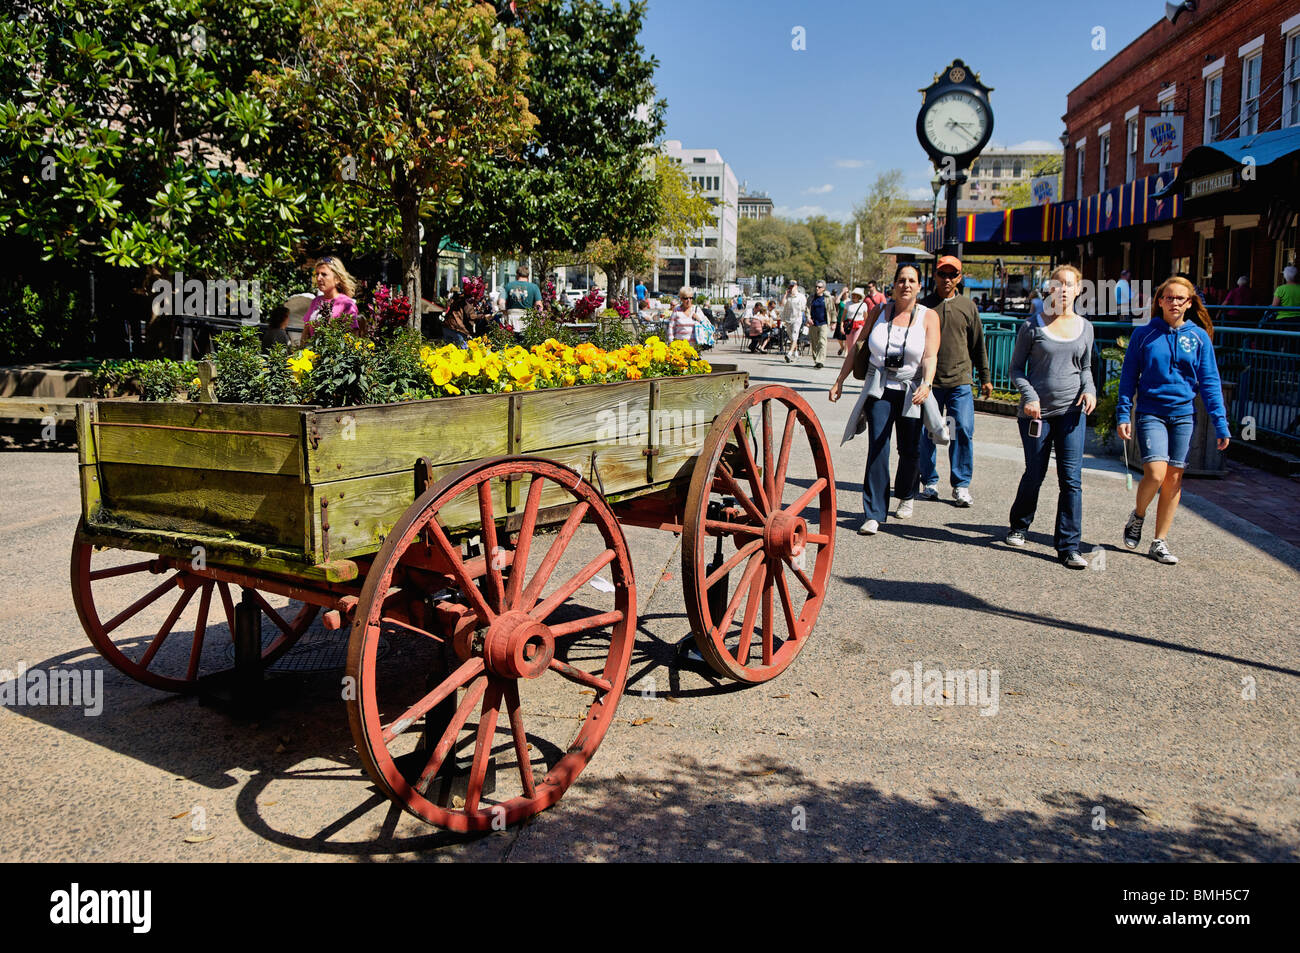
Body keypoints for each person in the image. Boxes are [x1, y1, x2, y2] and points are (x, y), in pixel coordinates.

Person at [1116, 275, 1231, 564]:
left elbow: (1210, 382)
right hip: (1151, 412)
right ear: (1160, 301)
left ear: (1189, 303)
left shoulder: (1199, 337)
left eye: (1181, 298)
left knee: (1174, 479)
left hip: (1183, 415)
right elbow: (1128, 377)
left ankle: (1159, 541)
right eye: (1169, 297)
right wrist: (1122, 413)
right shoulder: (1144, 334)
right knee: (1155, 473)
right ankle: (1138, 516)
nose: (1174, 302)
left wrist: (1221, 422)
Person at [829, 263, 940, 535]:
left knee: (910, 449)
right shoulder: (879, 311)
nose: (906, 285)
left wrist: (926, 384)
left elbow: (930, 356)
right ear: (893, 285)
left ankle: (906, 493)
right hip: (879, 388)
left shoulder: (928, 316)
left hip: (911, 389)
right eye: (901, 280)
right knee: (878, 447)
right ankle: (874, 512)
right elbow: (857, 347)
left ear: (919, 286)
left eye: (912, 280)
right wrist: (839, 380)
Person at [1004, 265, 1097, 569]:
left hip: (1072, 413)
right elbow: (1016, 369)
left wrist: (1091, 390)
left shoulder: (1085, 327)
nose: (1064, 290)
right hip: (1036, 414)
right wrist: (1029, 397)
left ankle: (1069, 546)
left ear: (1079, 290)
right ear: (1050, 289)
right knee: (1035, 472)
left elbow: (1085, 368)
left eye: (1070, 285)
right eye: (1059, 285)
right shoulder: (1032, 326)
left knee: (1071, 480)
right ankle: (1019, 524)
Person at [916, 255, 992, 507]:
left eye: (952, 274)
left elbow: (978, 345)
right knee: (928, 432)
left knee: (963, 431)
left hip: (960, 381)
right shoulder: (923, 306)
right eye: (942, 274)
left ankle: (960, 485)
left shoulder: (968, 307)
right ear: (935, 276)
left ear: (959, 277)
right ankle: (929, 481)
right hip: (931, 381)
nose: (947, 279)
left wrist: (985, 377)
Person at [305, 256, 360, 328]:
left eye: (324, 274)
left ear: (337, 279)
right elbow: (306, 333)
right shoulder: (315, 301)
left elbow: (352, 335)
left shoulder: (347, 304)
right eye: (317, 274)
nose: (318, 278)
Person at [504, 266, 542, 331]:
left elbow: (501, 302)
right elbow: (539, 305)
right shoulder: (534, 287)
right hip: (527, 319)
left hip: (511, 318)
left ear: (517, 275)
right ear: (528, 276)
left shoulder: (508, 286)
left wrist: (504, 312)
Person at [807, 279, 834, 368]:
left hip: (823, 323)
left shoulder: (827, 298)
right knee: (814, 343)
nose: (817, 288)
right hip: (813, 323)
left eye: (819, 287)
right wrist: (808, 317)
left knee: (822, 342)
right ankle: (816, 359)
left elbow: (832, 310)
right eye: (816, 287)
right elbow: (807, 308)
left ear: (824, 288)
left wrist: (834, 322)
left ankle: (820, 361)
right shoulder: (811, 297)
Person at [779, 280, 807, 363]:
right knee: (792, 338)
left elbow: (803, 308)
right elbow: (782, 304)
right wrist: (785, 295)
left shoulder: (801, 296)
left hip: (797, 319)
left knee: (795, 336)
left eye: (793, 286)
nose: (791, 288)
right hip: (788, 319)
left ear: (796, 286)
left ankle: (789, 354)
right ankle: (796, 353)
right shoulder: (788, 296)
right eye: (790, 286)